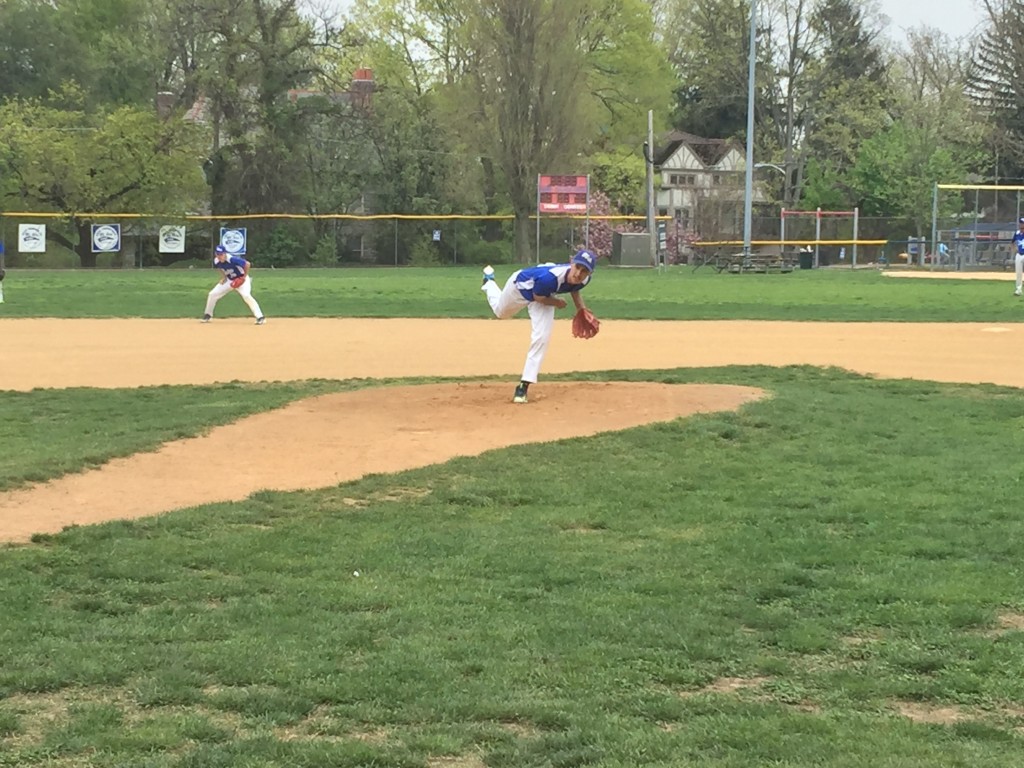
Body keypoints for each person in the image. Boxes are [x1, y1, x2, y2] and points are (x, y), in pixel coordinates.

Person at [480, 248, 597, 404]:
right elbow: (538, 297)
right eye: (577, 267)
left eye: (584, 271)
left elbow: (574, 288)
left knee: (541, 338)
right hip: (521, 288)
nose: (578, 273)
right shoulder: (549, 279)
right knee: (501, 313)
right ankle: (489, 282)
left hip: (545, 294)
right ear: (571, 263)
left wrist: (581, 309)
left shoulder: (583, 280)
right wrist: (557, 302)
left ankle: (523, 386)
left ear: (589, 274)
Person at [202, 244, 265, 324]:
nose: (219, 256)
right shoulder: (216, 260)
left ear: (225, 253)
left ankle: (260, 317)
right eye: (218, 254)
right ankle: (208, 315)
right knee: (212, 294)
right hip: (230, 280)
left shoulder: (232, 259)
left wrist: (244, 277)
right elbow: (220, 268)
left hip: (241, 279)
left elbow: (247, 264)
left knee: (246, 296)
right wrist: (224, 277)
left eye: (221, 254)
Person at [1014, 219, 1024, 297]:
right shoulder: (1017, 233)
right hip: (1019, 254)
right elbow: (1012, 242)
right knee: (1018, 273)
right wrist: (1015, 249)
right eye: (1020, 223)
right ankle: (1018, 289)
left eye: (1022, 223)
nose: (1021, 225)